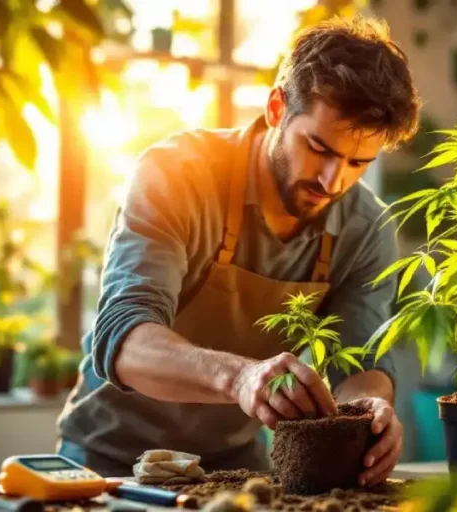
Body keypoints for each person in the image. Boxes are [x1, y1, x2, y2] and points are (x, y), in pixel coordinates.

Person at [57, 16, 422, 487]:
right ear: (276, 108)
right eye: (317, 147)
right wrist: (240, 379)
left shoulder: (367, 227)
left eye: (358, 163)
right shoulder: (177, 174)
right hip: (109, 460)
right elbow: (124, 339)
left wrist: (372, 408)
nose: (333, 181)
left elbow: (359, 360)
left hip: (237, 467)